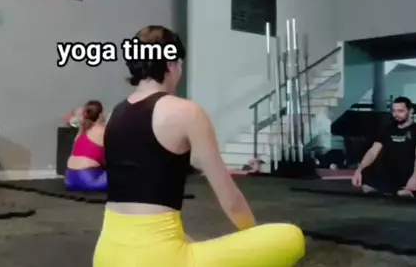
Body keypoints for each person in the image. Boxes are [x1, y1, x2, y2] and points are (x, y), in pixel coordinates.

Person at [93, 25, 305, 267]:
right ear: (171, 64)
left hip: (106, 256)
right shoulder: (186, 111)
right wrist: (255, 240)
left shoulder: (115, 114)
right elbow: (231, 201)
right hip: (158, 259)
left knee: (187, 241)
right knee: (291, 237)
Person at [352, 96, 416, 197]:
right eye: (394, 111)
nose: (396, 114)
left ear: (410, 111)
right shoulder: (387, 130)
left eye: (400, 111)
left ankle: (405, 189)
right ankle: (389, 189)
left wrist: (415, 176)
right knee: (365, 183)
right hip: (391, 174)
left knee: (405, 192)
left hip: (410, 172)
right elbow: (373, 151)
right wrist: (359, 170)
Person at [64, 100, 108, 191]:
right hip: (89, 179)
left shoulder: (82, 130)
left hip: (69, 179)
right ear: (101, 115)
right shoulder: (101, 130)